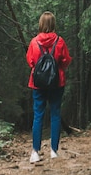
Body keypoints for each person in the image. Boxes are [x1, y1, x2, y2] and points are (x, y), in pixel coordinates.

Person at [26, 11, 72, 163]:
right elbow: (66, 60)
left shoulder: (34, 42)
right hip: (56, 83)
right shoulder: (59, 41)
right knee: (55, 114)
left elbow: (31, 61)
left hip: (37, 84)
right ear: (53, 24)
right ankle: (53, 150)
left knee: (38, 115)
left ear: (40, 24)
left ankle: (35, 152)